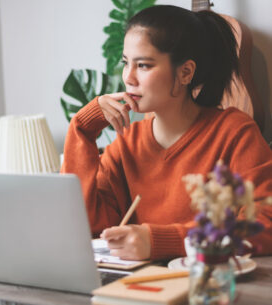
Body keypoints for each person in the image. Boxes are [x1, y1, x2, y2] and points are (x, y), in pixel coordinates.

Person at [61, 5, 272, 261]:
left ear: (185, 73)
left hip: (208, 288)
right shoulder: (127, 142)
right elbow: (89, 225)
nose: (129, 78)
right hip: (137, 290)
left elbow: (263, 225)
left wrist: (159, 241)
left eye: (144, 65)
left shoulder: (235, 133)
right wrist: (83, 128)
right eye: (126, 63)